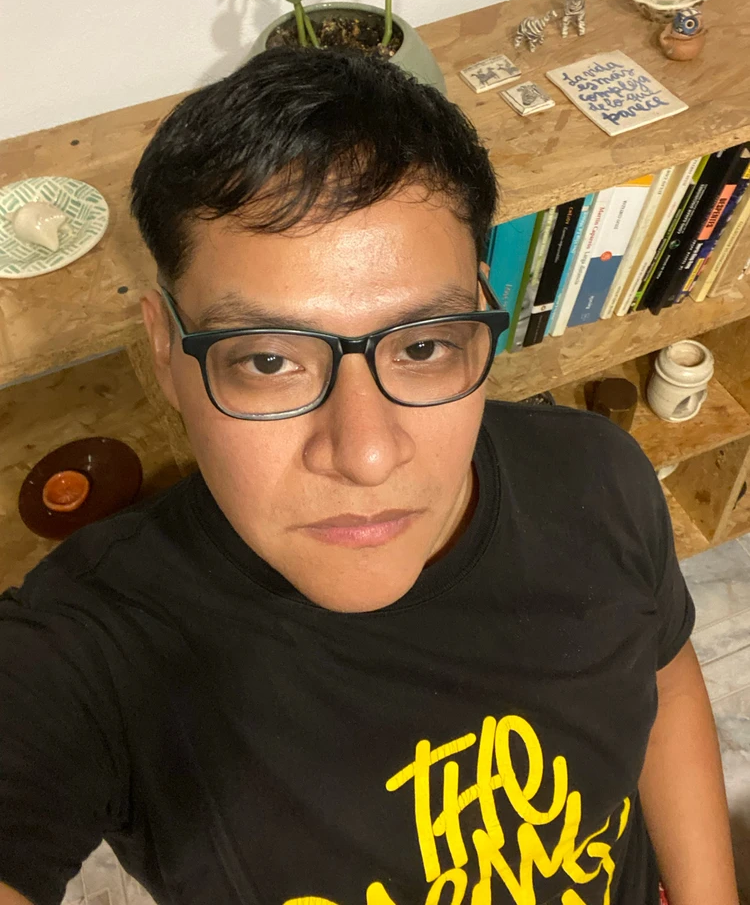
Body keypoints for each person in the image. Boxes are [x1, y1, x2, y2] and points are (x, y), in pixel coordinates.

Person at [0, 47, 739, 905]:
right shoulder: (92, 654)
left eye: (422, 346)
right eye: (268, 360)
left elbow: (662, 673)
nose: (366, 454)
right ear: (166, 350)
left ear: (482, 312)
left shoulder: (596, 474)